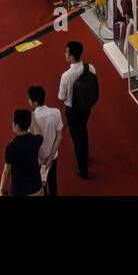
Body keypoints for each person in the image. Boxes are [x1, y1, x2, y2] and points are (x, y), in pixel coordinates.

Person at [58, 40, 96, 179]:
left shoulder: (66, 76)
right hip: (86, 107)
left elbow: (62, 97)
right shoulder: (90, 68)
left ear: (72, 57)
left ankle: (82, 169)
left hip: (73, 111)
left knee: (77, 139)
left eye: (67, 52)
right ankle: (86, 156)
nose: (65, 54)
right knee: (83, 131)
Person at [0, 108, 45, 196]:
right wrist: (33, 121)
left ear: (17, 127)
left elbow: (6, 171)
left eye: (13, 121)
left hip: (19, 190)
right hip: (36, 187)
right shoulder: (35, 140)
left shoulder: (11, 147)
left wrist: (1, 188)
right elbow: (39, 134)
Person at [29, 84, 64, 196]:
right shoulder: (56, 112)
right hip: (53, 156)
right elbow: (59, 136)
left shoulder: (32, 119)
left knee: (41, 184)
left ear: (34, 103)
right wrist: (50, 158)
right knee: (53, 181)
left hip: (39, 159)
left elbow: (32, 142)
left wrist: (41, 159)